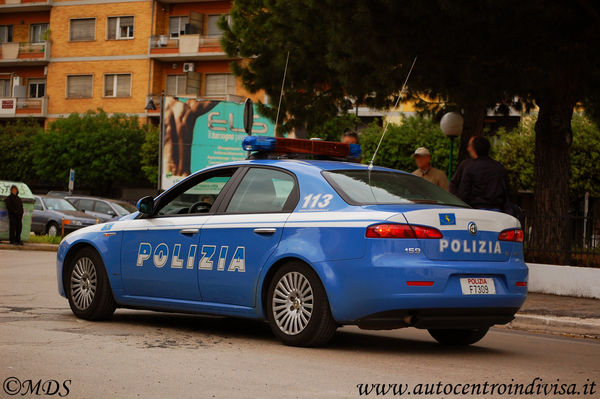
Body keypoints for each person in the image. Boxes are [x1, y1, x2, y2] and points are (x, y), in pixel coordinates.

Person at [456, 136, 509, 211]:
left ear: (475, 149)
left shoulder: (470, 168)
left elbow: (464, 192)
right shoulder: (499, 167)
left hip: (476, 209)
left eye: (470, 147)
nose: (468, 149)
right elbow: (505, 190)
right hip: (497, 210)